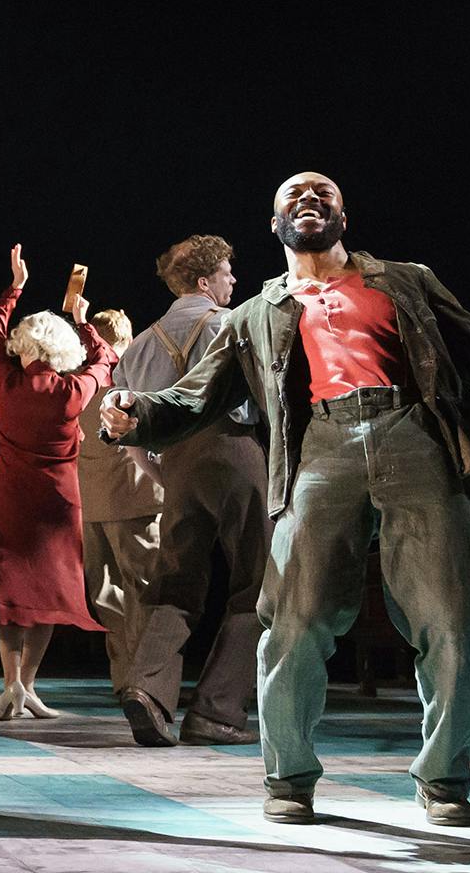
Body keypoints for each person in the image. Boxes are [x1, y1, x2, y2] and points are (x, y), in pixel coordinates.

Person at [102, 172, 470, 827]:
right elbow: (192, 397)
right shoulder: (255, 312)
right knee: (293, 623)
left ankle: (443, 779)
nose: (308, 198)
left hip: (415, 439)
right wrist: (135, 414)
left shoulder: (407, 282)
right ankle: (288, 779)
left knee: (457, 622)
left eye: (323, 192)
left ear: (343, 216)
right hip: (320, 448)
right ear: (274, 224)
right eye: (293, 195)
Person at [113, 235, 270, 749]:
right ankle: (216, 712)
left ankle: (147, 688)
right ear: (205, 281)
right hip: (233, 448)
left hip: (177, 464)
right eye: (226, 271)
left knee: (176, 581)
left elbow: (128, 432)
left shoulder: (138, 345)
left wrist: (167, 476)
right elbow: (267, 396)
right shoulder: (232, 324)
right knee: (260, 582)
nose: (233, 279)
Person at [0, 244, 115, 721]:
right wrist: (83, 320)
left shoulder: (4, 381)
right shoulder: (73, 390)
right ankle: (27, 685)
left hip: (9, 500)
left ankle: (11, 686)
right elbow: (105, 359)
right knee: (48, 594)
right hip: (58, 506)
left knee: (10, 595)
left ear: (25, 346)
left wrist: (15, 288)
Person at [71, 308, 157, 713]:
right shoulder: (130, 375)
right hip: (134, 497)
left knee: (105, 593)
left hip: (91, 500)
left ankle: (125, 677)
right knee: (144, 590)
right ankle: (143, 679)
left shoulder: (81, 381)